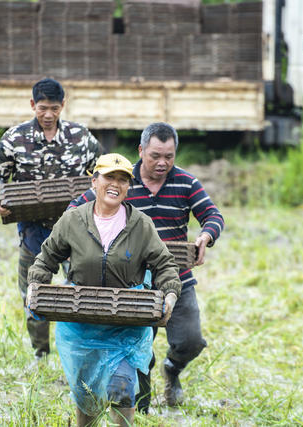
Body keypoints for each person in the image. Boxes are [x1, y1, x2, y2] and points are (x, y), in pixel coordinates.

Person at [68, 122, 224, 412]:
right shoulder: (122, 181)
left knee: (191, 340)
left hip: (178, 278)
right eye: (155, 156)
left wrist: (206, 235)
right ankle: (140, 409)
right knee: (137, 351)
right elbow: (75, 209)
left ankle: (172, 369)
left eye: (169, 156)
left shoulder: (186, 183)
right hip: (134, 283)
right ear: (141, 151)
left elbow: (212, 214)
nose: (162, 163)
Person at [27, 153, 182, 426]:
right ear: (94, 181)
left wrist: (169, 295)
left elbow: (165, 265)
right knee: (86, 396)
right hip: (81, 323)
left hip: (126, 325)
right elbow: (47, 257)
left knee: (121, 390)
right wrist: (35, 286)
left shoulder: (140, 225)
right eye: (110, 177)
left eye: (123, 179)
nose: (116, 184)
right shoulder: (73, 220)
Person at [0, 78, 102, 359]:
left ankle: (78, 349)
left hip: (76, 229)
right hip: (34, 230)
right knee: (34, 291)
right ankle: (41, 353)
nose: (48, 115)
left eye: (55, 108)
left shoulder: (80, 137)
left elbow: (103, 170)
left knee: (84, 289)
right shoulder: (16, 137)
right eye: (43, 108)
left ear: (63, 106)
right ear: (32, 104)